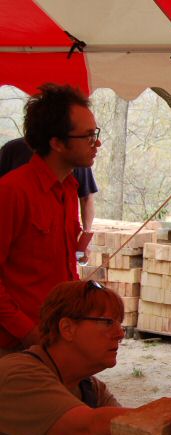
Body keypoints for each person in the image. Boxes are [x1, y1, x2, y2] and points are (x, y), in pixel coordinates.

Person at [0, 280, 130, 435]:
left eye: (120, 323)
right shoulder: (19, 376)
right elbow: (87, 428)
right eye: (107, 322)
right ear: (67, 328)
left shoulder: (90, 389)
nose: (120, 333)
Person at [0, 84, 102, 355]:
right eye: (88, 136)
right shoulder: (12, 192)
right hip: (15, 346)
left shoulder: (69, 189)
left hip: (55, 336)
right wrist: (26, 332)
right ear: (56, 143)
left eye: (96, 134)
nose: (97, 144)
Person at [0, 137, 98, 232]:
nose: (97, 143)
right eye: (87, 135)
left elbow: (86, 198)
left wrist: (85, 236)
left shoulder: (77, 157)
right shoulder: (12, 150)